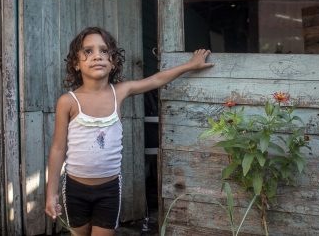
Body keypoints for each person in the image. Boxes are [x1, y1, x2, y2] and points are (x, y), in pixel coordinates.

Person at [45, 26, 214, 236]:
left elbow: (156, 80)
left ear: (113, 61)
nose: (97, 56)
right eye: (88, 51)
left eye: (104, 51)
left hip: (109, 189)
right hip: (74, 189)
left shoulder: (120, 92)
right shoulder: (68, 101)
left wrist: (189, 66)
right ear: (75, 64)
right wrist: (50, 194)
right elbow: (58, 149)